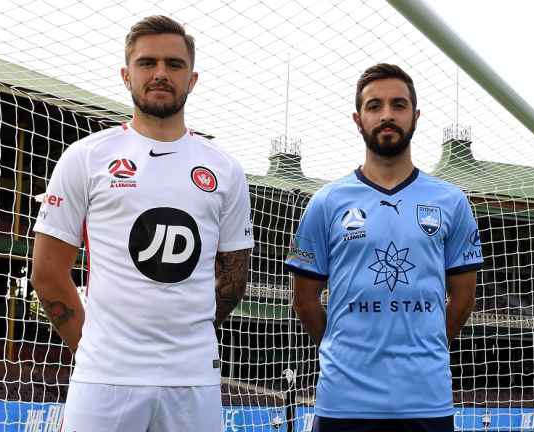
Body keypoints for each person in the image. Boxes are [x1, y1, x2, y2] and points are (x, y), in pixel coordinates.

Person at [30, 15, 253, 432]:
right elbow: (47, 272)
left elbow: (233, 278)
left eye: (174, 64)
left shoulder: (225, 170)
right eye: (147, 63)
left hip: (193, 382)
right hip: (104, 381)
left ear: (193, 78)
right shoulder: (86, 157)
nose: (160, 74)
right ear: (125, 75)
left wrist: (184, 339)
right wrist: (97, 350)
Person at [286, 63, 483, 432]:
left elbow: (463, 300)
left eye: (398, 105)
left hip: (426, 401)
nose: (387, 115)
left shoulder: (452, 202)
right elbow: (304, 300)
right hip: (342, 401)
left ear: (416, 116)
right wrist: (340, 351)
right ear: (358, 119)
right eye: (375, 106)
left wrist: (428, 346)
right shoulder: (326, 202)